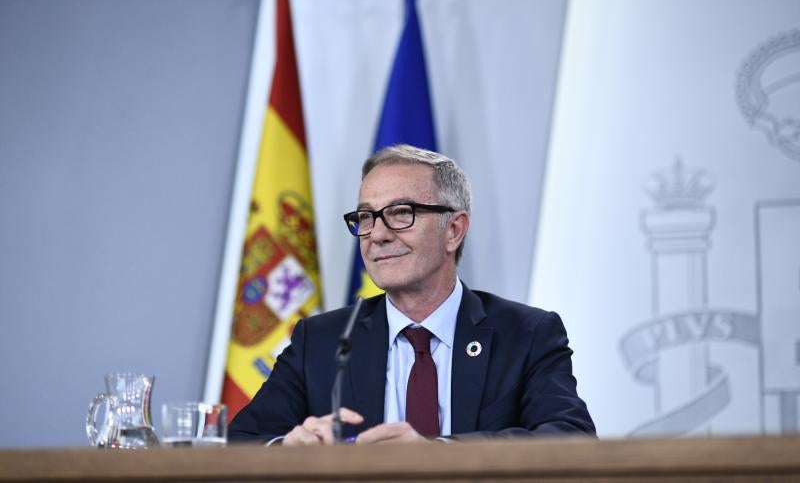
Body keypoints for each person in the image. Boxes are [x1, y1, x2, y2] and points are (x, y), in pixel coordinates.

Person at [229, 144, 595, 444]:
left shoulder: (526, 335)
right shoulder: (322, 340)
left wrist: (438, 454)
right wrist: (287, 448)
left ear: (454, 230)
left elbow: (571, 437)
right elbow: (241, 442)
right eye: (366, 217)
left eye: (401, 213)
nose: (377, 234)